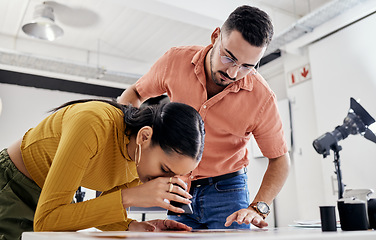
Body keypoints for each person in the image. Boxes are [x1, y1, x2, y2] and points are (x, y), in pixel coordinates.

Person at [117, 5, 290, 229]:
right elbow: (135, 93)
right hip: (178, 187)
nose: (233, 73)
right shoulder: (175, 61)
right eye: (229, 58)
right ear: (215, 36)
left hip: (228, 189)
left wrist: (258, 207)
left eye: (247, 66)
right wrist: (134, 151)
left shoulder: (262, 98)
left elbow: (280, 160)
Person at [0, 99, 205, 240]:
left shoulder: (140, 160)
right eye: (165, 169)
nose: (165, 181)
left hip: (52, 201)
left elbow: (103, 211)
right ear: (144, 136)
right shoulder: (93, 123)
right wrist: (129, 197)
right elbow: (46, 223)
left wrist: (133, 227)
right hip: (12, 185)